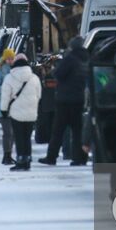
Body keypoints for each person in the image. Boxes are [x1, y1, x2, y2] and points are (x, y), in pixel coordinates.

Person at [40, 36, 89, 166]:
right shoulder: (86, 58)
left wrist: (55, 70)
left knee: (58, 130)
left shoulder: (70, 59)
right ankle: (79, 157)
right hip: (79, 99)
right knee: (77, 130)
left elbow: (58, 74)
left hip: (65, 99)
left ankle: (51, 157)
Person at [0, 54, 41, 171]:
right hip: (31, 113)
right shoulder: (34, 78)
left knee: (19, 137)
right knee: (27, 137)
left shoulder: (9, 78)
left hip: (16, 113)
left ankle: (20, 159)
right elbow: (39, 95)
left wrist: (3, 110)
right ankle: (27, 159)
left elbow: (5, 96)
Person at [0, 47, 16, 165]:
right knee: (8, 132)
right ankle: (6, 155)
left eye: (12, 58)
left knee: (14, 133)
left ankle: (9, 154)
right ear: (5, 59)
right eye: (9, 58)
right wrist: (6, 89)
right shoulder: (0, 70)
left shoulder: (16, 70)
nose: (10, 61)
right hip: (2, 108)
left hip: (15, 107)